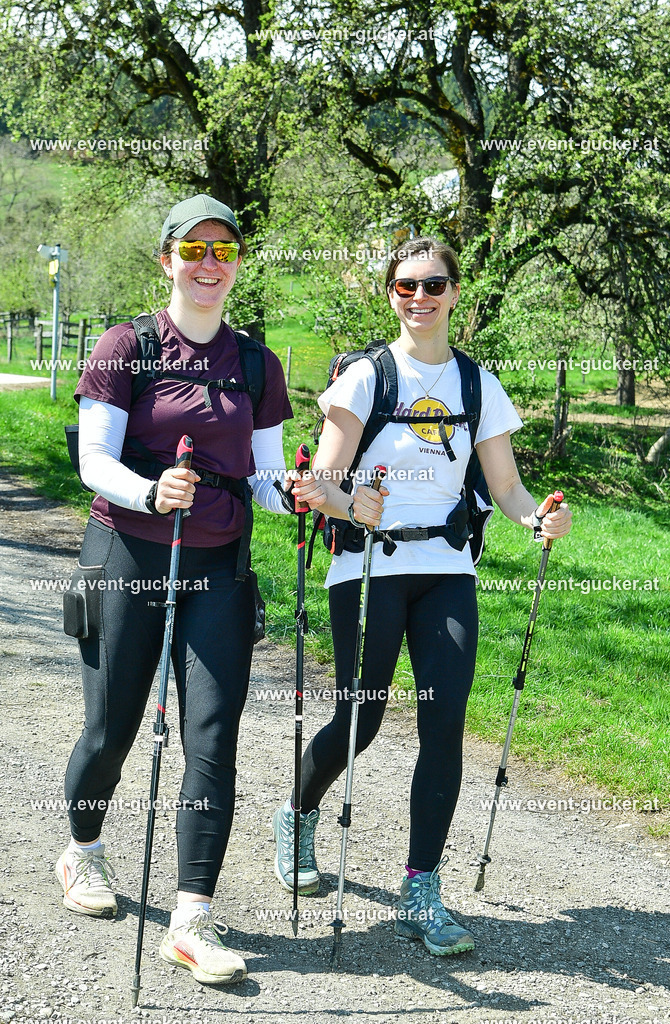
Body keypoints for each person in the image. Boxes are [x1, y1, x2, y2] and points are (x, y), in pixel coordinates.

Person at [272, 236, 572, 956]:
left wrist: (535, 519)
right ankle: (298, 814)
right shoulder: (365, 379)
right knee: (361, 719)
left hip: (446, 569)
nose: (420, 297)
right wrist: (351, 503)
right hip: (367, 567)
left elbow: (505, 486)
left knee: (444, 725)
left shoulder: (477, 384)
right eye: (406, 285)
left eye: (433, 285)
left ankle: (420, 889)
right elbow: (320, 484)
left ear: (454, 293)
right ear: (391, 295)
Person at [56, 194, 296, 986]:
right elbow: (94, 461)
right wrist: (149, 492)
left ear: (237, 263)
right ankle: (83, 851)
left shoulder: (256, 364)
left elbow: (264, 477)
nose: (209, 263)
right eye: (193, 250)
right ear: (167, 260)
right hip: (126, 551)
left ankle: (192, 918)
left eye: (223, 250)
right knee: (111, 729)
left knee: (212, 738)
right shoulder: (125, 346)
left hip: (218, 566)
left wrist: (300, 492)